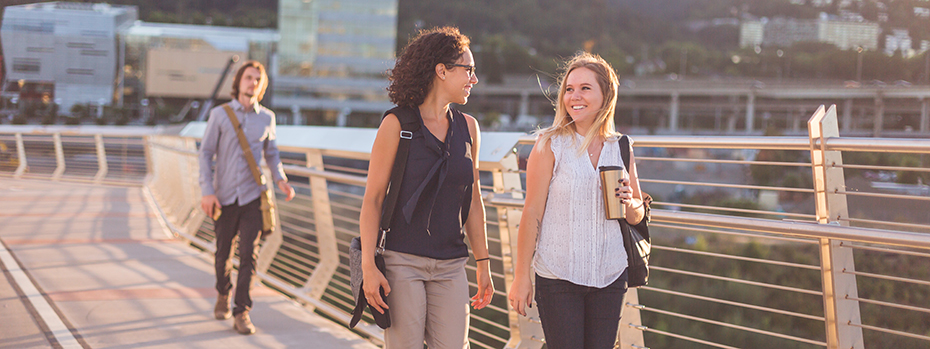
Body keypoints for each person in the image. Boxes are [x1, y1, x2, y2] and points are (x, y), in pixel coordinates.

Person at [358, 26, 494, 348]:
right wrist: (368, 267)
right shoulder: (397, 124)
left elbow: (472, 199)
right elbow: (373, 200)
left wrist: (484, 263)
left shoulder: (469, 128)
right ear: (441, 71)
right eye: (469, 70)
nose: (473, 79)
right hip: (402, 261)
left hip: (451, 264)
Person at [507, 52, 647, 349]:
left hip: (610, 274)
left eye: (585, 88)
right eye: (569, 89)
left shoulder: (621, 146)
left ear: (605, 95)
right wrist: (521, 277)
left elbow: (637, 213)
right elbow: (531, 212)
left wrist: (628, 203)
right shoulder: (549, 143)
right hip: (558, 275)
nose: (574, 96)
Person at [199, 60, 296, 335]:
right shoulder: (219, 115)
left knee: (248, 256)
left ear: (261, 86)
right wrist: (207, 190)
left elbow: (272, 153)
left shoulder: (267, 118)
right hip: (224, 196)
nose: (252, 82)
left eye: (257, 79)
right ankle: (222, 293)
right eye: (248, 77)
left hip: (254, 196)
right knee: (222, 254)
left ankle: (242, 311)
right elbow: (205, 153)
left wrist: (281, 180)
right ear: (239, 81)